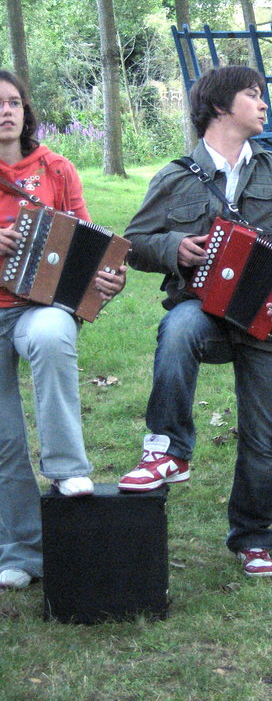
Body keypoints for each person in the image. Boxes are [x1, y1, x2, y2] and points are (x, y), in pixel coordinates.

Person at [117, 65, 272, 578]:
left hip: (271, 322)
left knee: (261, 438)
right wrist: (174, 247)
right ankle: (168, 450)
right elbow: (133, 243)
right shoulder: (175, 176)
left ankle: (252, 538)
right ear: (219, 106)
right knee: (178, 329)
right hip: (204, 311)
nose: (264, 103)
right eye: (253, 94)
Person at [0, 69, 125, 590]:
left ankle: (68, 467)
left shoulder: (57, 169)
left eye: (13, 102)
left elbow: (91, 242)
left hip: (38, 307)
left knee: (54, 332)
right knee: (4, 439)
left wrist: (106, 278)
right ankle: (20, 552)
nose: (5, 111)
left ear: (25, 111)